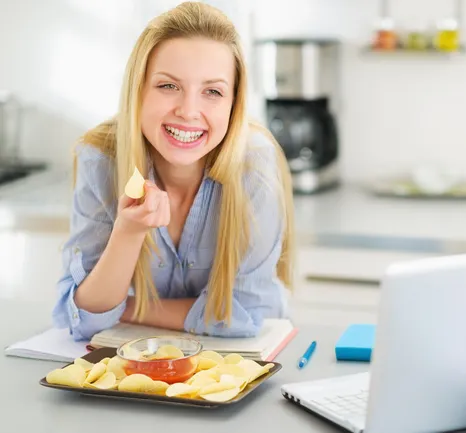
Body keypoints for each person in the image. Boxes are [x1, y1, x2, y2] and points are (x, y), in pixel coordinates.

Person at [51, 1, 295, 342]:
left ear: (233, 104)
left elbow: (246, 315)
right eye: (168, 86)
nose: (189, 111)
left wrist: (126, 307)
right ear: (138, 90)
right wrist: (129, 232)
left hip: (247, 358)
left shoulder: (253, 163)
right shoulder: (101, 159)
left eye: (212, 91)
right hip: (148, 358)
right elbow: (82, 321)